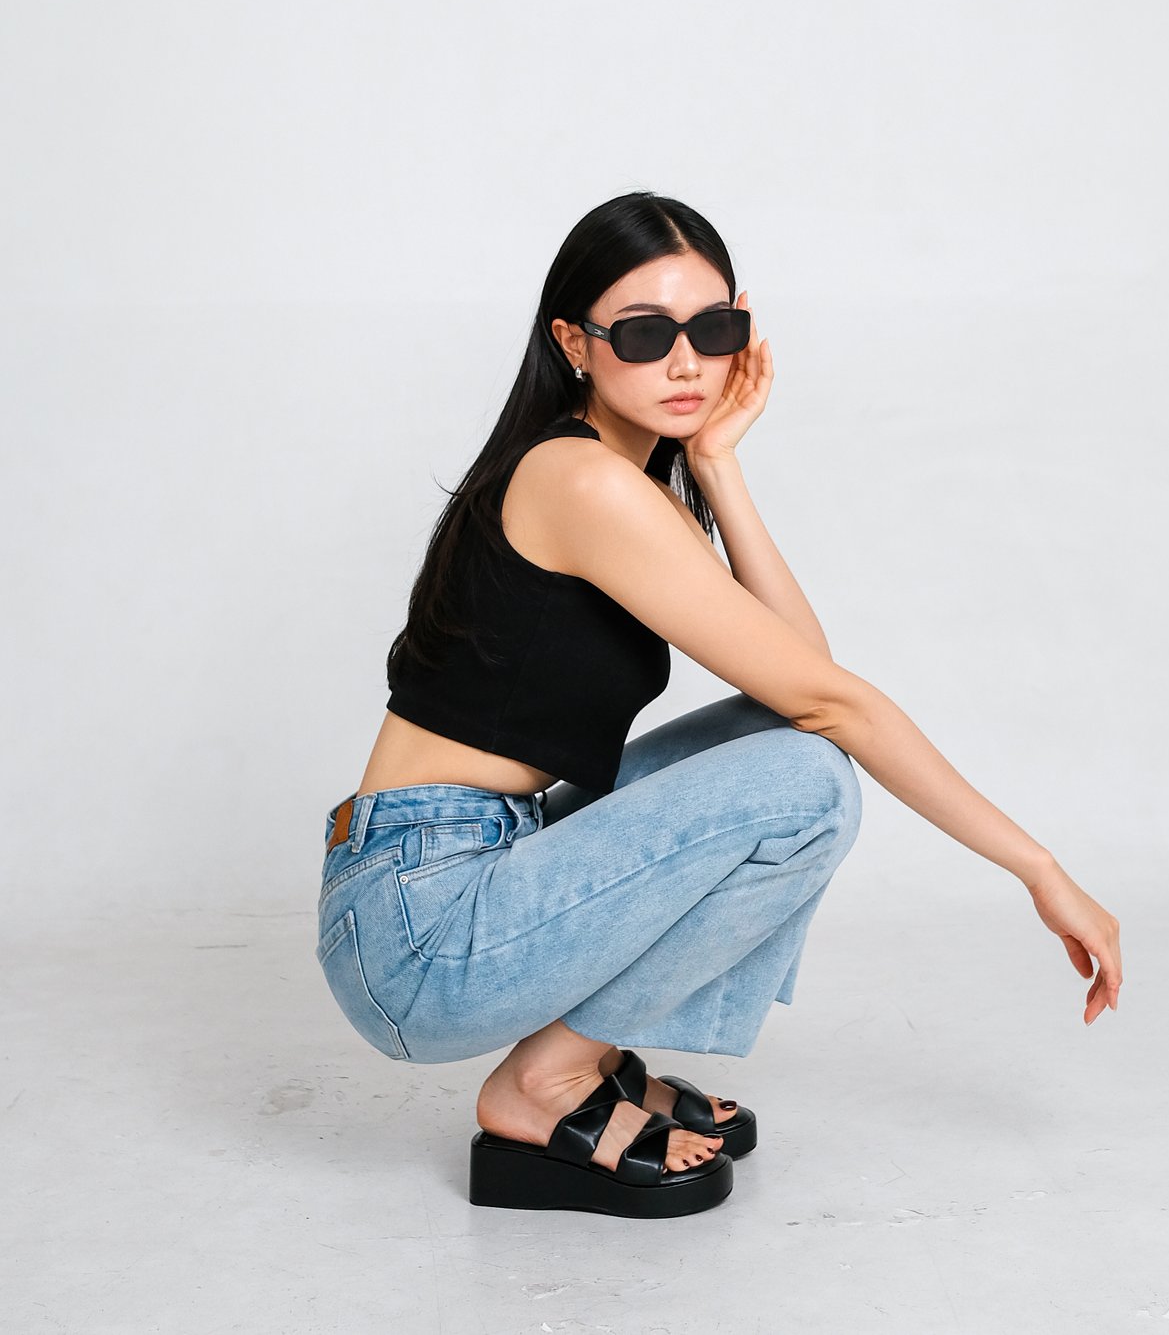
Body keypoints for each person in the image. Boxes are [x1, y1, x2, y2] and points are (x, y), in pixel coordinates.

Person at [314, 190, 1123, 1220]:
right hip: (419, 930)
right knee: (805, 781)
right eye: (645, 335)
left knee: (791, 747)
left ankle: (586, 1056)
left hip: (471, 865)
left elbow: (798, 676)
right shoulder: (581, 483)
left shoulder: (629, 481)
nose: (687, 363)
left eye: (713, 329)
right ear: (574, 342)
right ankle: (545, 1082)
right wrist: (1039, 869)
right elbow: (828, 700)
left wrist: (718, 464)